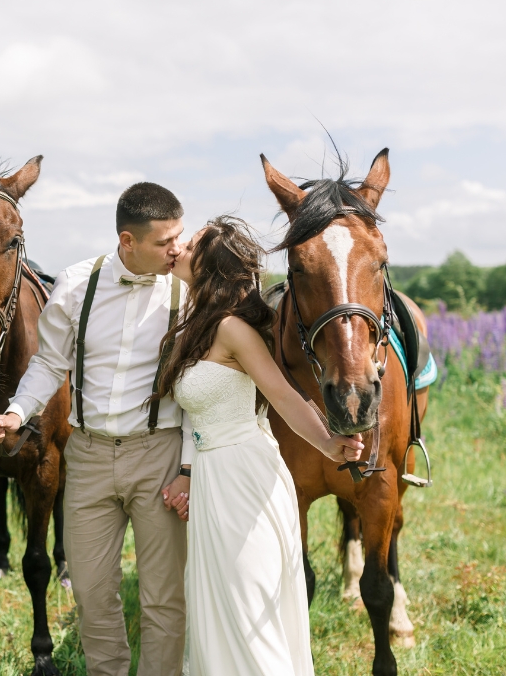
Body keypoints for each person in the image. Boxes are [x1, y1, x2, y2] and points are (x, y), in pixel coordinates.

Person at [0, 182, 193, 676]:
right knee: (92, 591)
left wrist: (186, 467)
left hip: (158, 455)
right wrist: (17, 413)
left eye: (179, 237)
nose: (177, 250)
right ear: (128, 241)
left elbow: (196, 390)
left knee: (164, 597)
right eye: (165, 242)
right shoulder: (78, 284)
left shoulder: (188, 291)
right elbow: (48, 364)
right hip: (90, 457)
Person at [158, 217, 364, 676]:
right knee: (219, 607)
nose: (179, 249)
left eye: (189, 244)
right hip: (213, 478)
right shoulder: (197, 323)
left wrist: (330, 444)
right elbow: (195, 414)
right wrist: (190, 473)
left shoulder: (233, 329)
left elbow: (286, 396)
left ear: (209, 265)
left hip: (245, 478)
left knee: (249, 607)